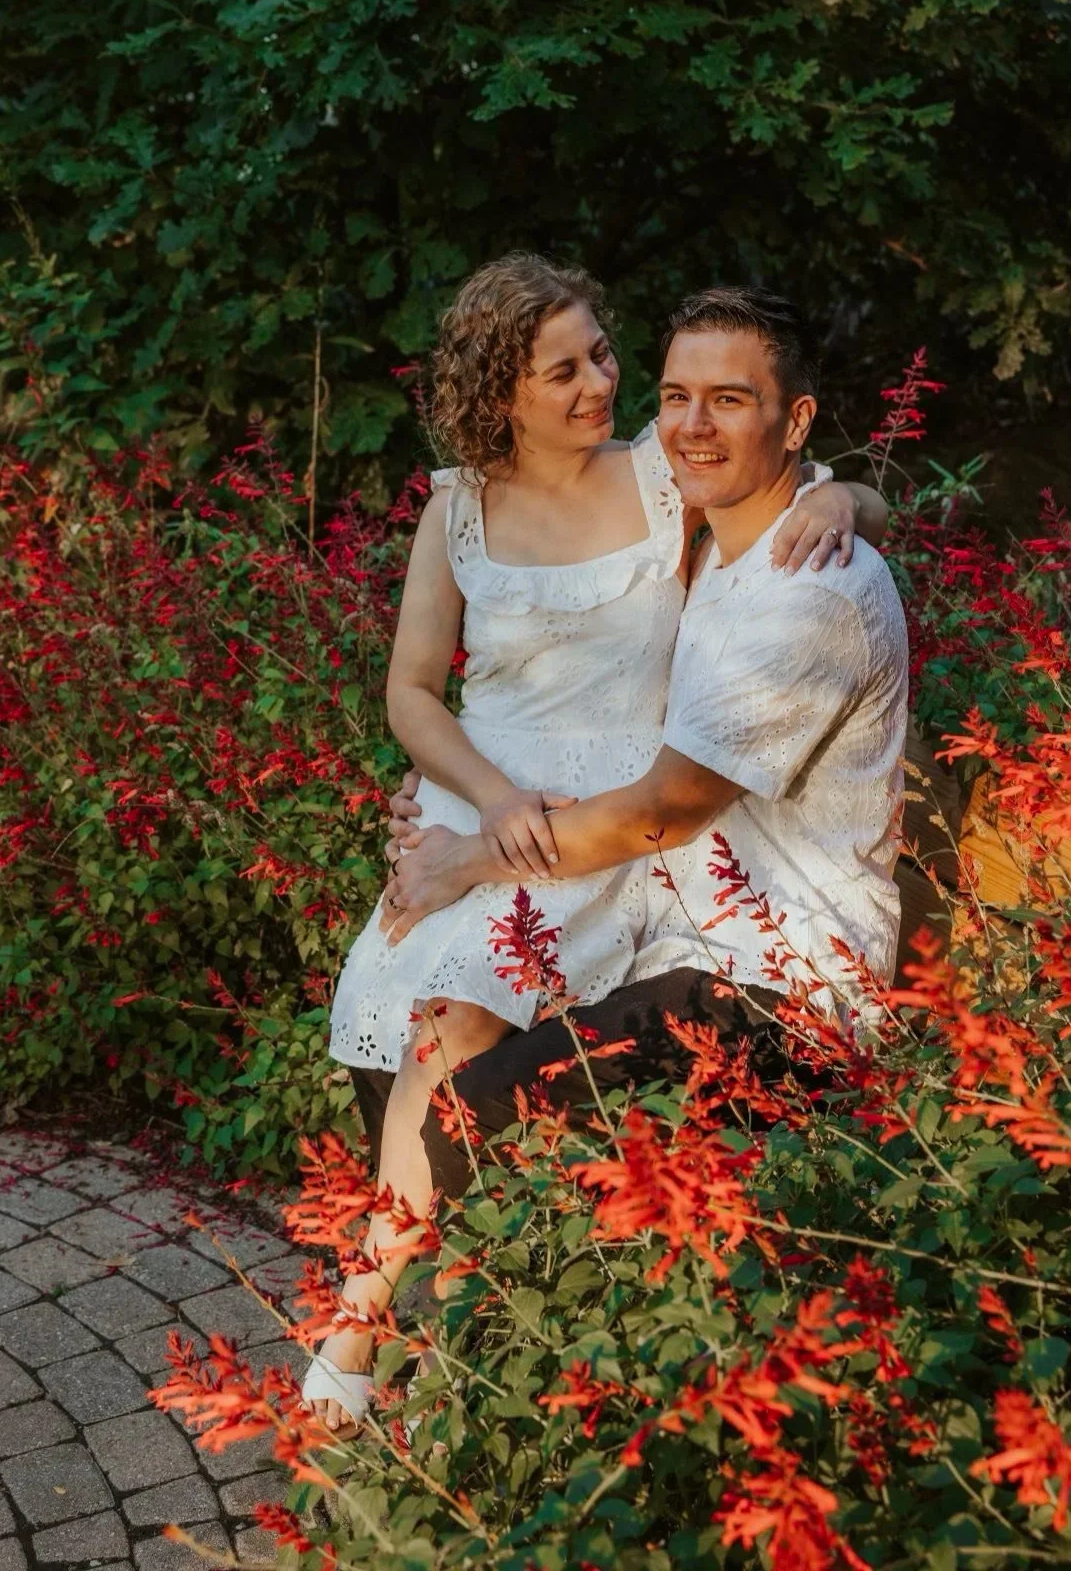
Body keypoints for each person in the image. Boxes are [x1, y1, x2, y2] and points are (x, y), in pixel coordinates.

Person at [302, 259, 887, 1428]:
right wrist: (480, 803)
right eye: (563, 369)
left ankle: (360, 1338)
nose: (599, 384)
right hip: (490, 799)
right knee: (409, 1032)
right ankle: (441, 1335)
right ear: (500, 392)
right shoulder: (458, 507)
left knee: (459, 1041)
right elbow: (412, 688)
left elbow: (800, 485)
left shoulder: (662, 474)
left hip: (611, 817)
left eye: (602, 355)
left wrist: (847, 501)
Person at [379, 286, 909, 1198]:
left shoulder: (803, 588)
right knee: (421, 1037)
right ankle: (396, 1286)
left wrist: (463, 859)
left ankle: (388, 1289)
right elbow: (461, 691)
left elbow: (663, 810)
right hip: (676, 934)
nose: (690, 425)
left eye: (727, 400)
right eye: (674, 397)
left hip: (781, 982)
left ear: (795, 421)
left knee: (470, 1101)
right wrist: (455, 797)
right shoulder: (715, 546)